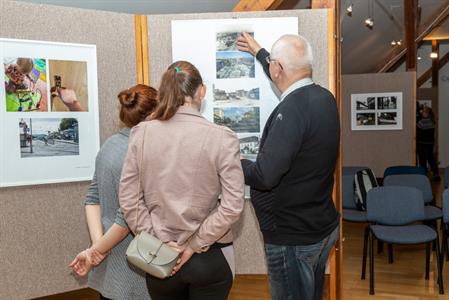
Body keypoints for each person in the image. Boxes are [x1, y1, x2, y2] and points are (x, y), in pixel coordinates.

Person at [119, 61, 245, 300]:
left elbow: (129, 200)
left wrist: (159, 242)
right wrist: (193, 244)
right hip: (210, 255)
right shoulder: (222, 138)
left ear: (165, 93)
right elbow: (232, 206)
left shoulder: (141, 134)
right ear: (201, 91)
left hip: (159, 259)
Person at [237, 33, 340, 300]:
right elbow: (284, 72)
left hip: (292, 237)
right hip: (319, 225)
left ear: (278, 68)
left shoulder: (293, 108)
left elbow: (265, 176)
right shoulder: (323, 97)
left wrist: (228, 161)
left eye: (272, 62)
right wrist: (260, 53)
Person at [69, 84, 158, 300]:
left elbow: (92, 197)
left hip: (110, 262)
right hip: (135, 266)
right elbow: (128, 216)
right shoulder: (142, 152)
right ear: (153, 114)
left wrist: (98, 246)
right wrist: (97, 250)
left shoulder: (109, 146)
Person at [417, 106, 440, 181]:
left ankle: (424, 175)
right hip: (430, 143)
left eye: (423, 112)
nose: (421, 113)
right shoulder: (432, 121)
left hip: (422, 143)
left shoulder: (422, 122)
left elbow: (417, 131)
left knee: (422, 160)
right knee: (431, 159)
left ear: (426, 113)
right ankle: (436, 174)